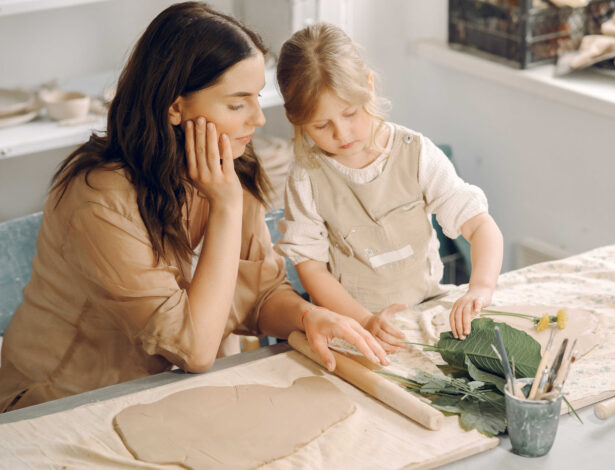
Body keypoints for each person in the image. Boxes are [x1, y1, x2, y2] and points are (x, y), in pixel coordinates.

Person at [0, 3, 389, 413]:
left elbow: (260, 291)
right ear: (174, 107)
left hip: (170, 396)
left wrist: (307, 316)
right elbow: (193, 349)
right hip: (60, 405)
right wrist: (224, 208)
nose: (258, 119)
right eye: (237, 104)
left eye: (256, 98)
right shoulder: (99, 200)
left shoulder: (228, 168)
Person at [274, 23, 504, 350]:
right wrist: (364, 321)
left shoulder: (416, 153)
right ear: (297, 121)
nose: (342, 134)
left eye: (350, 114)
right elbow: (311, 267)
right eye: (322, 125)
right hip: (350, 329)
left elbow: (480, 225)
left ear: (368, 86)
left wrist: (481, 287)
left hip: (424, 319)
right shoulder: (305, 176)